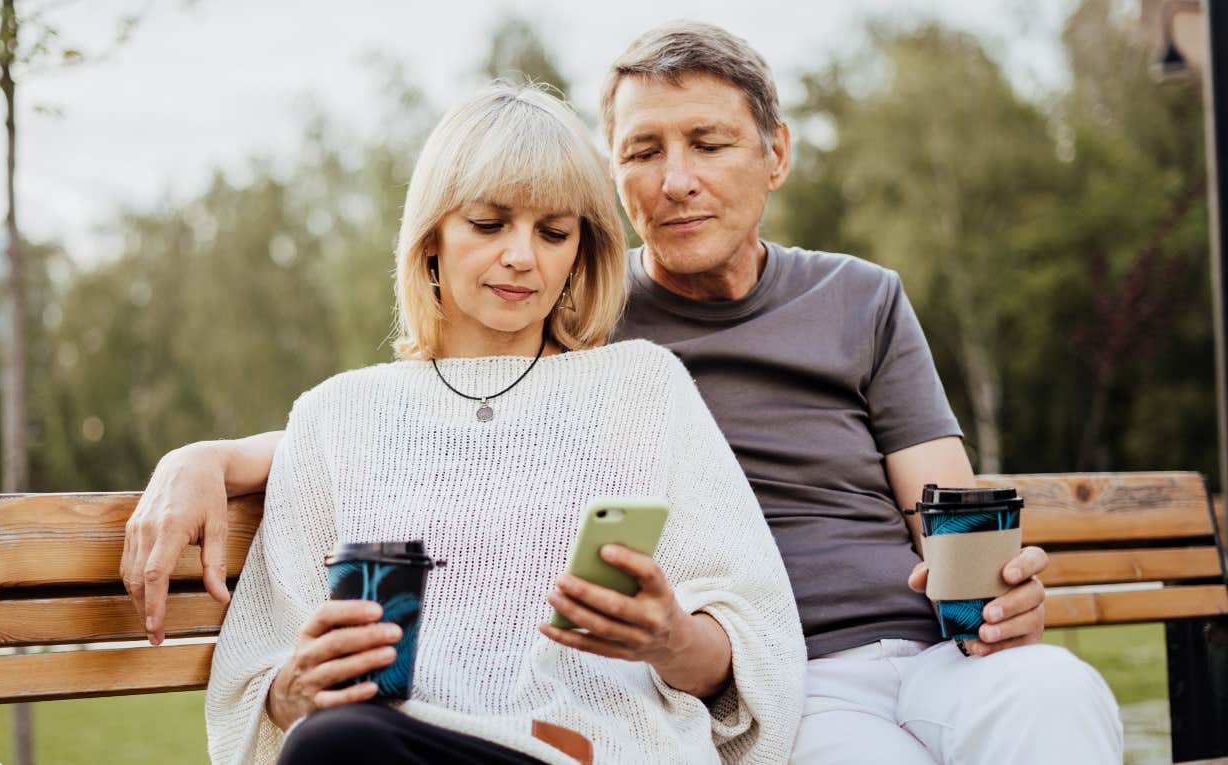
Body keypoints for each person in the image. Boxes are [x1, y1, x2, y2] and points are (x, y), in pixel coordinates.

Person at [125, 21, 1124, 765]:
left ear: (774, 154)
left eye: (555, 233)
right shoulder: (543, 348)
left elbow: (946, 520)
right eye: (643, 153)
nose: (676, 179)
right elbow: (420, 416)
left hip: (841, 665)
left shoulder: (801, 315)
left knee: (1053, 696)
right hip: (730, 698)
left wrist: (990, 591)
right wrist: (208, 459)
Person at [202, 82, 805, 765]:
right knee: (334, 740)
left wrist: (670, 638)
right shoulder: (332, 418)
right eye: (489, 224)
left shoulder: (643, 389)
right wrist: (292, 688)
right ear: (431, 239)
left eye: (553, 232)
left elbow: (761, 644)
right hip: (397, 746)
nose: (522, 256)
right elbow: (259, 669)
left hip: (594, 750)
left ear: (580, 252)